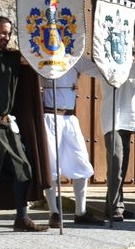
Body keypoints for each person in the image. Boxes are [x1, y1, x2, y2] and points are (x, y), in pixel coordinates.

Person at [0, 16, 51, 235]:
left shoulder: (13, 57)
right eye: (2, 32)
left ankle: (21, 218)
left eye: (9, 33)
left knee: (23, 169)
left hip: (6, 123)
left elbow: (37, 60)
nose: (6, 37)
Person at [78, 47, 135, 222]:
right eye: (129, 52)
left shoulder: (133, 71)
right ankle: (114, 207)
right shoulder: (110, 68)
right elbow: (129, 71)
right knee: (116, 164)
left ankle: (115, 205)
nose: (132, 55)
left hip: (128, 120)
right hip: (113, 121)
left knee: (121, 165)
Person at [42, 61, 99, 227]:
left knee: (81, 163)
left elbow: (99, 70)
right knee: (51, 166)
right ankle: (54, 213)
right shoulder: (41, 54)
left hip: (69, 118)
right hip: (49, 116)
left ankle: (80, 212)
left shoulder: (75, 57)